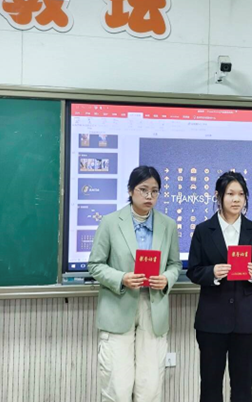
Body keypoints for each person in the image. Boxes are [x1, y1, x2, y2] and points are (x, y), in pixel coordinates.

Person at [88, 165, 182, 402]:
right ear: (130, 190)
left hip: (153, 308)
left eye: (155, 191)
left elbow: (174, 264)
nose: (149, 196)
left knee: (150, 389)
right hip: (118, 307)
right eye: (143, 189)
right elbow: (95, 265)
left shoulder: (168, 225)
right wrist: (122, 278)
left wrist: (167, 279)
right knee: (117, 389)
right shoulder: (110, 222)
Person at [187, 171, 252, 402]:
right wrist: (212, 273)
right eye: (230, 194)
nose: (236, 199)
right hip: (212, 319)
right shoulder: (204, 230)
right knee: (211, 385)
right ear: (218, 196)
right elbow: (193, 270)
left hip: (246, 319)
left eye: (241, 194)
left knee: (243, 386)